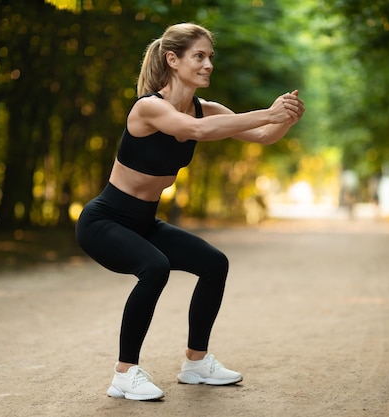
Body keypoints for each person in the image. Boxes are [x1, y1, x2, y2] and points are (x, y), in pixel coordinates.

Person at [75, 22, 305, 401]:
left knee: (214, 263)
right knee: (155, 267)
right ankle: (124, 373)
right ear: (173, 60)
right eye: (199, 56)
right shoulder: (149, 107)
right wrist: (267, 112)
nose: (208, 64)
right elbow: (195, 131)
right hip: (104, 221)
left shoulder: (205, 108)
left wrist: (283, 120)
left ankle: (196, 363)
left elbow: (263, 136)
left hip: (144, 222)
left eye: (210, 57)